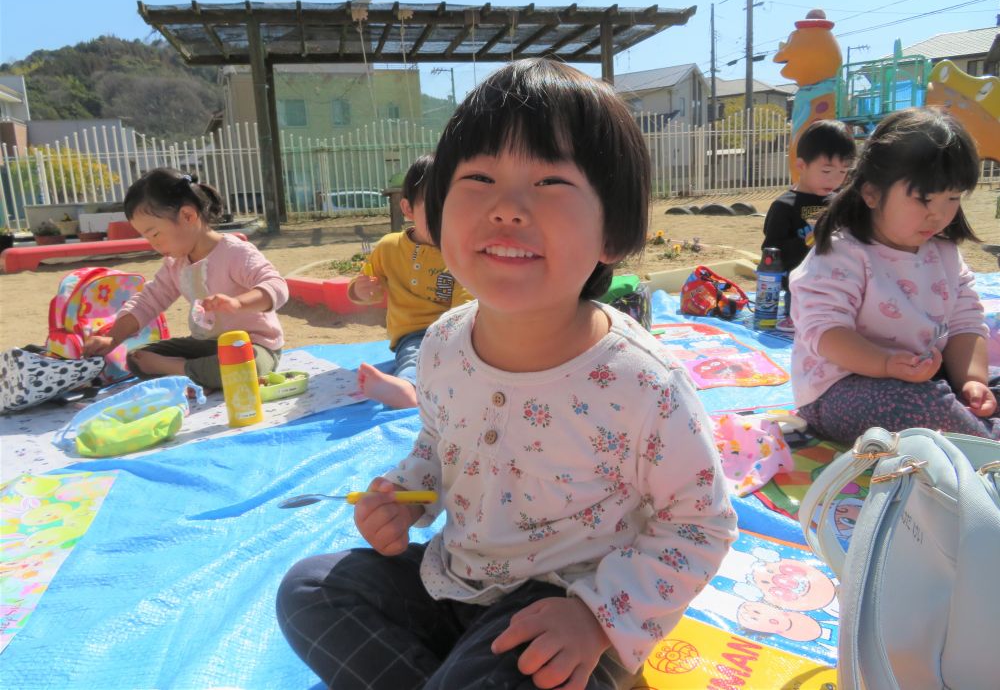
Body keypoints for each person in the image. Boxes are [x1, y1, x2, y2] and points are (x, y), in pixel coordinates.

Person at [276, 58, 737, 690]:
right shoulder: (440, 344)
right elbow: (439, 446)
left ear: (614, 230)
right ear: (435, 214)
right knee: (308, 589)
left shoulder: (641, 383)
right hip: (456, 582)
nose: (506, 208)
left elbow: (699, 521)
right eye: (480, 177)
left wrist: (598, 619)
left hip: (562, 617)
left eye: (550, 182)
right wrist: (406, 496)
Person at [790, 108, 999, 443]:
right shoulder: (843, 253)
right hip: (842, 390)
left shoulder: (943, 252)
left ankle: (974, 426)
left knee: (983, 386)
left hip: (927, 377)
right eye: (924, 198)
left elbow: (966, 323)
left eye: (953, 198)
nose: (939, 214)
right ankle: (986, 446)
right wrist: (886, 364)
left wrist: (973, 382)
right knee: (918, 408)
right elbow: (826, 331)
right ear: (872, 193)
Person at [83, 168, 288, 390]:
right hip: (207, 347)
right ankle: (199, 374)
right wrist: (112, 339)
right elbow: (148, 300)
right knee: (137, 358)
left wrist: (239, 303)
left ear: (188, 216)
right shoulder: (176, 264)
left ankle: (183, 370)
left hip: (252, 346)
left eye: (155, 234)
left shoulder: (235, 253)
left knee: (245, 364)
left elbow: (276, 286)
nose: (153, 245)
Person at [349, 154, 472, 409]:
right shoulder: (389, 247)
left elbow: (466, 304)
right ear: (408, 210)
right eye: (434, 210)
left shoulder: (462, 249)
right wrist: (363, 290)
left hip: (460, 329)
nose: (444, 220)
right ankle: (408, 388)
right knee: (417, 356)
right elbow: (369, 284)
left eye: (454, 208)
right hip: (415, 334)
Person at [761, 119, 856, 331]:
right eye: (826, 171)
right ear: (801, 165)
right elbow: (772, 252)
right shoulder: (785, 206)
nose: (834, 180)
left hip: (838, 286)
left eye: (843, 172)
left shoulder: (839, 202)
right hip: (800, 288)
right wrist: (806, 241)